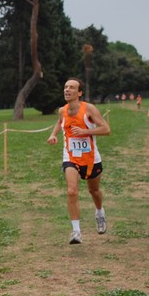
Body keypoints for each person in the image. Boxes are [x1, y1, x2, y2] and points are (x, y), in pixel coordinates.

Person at [47, 78, 111, 245]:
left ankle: (99, 212)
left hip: (91, 158)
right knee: (71, 191)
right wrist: (53, 135)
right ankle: (76, 231)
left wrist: (84, 132)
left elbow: (106, 129)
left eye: (72, 87)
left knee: (94, 191)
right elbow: (59, 123)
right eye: (66, 86)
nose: (67, 90)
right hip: (70, 156)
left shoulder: (89, 109)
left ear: (79, 92)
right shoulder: (62, 110)